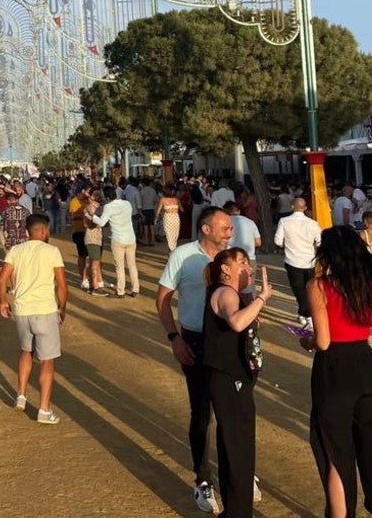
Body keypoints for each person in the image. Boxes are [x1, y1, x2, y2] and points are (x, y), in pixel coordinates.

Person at [300, 226, 372, 517]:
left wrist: (306, 340)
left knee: (336, 450)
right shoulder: (371, 283)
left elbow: (324, 341)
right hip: (365, 362)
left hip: (334, 368)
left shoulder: (318, 286)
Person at [157, 206, 238, 513]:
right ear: (206, 229)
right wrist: (174, 337)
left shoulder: (233, 258)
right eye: (225, 228)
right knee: (202, 413)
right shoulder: (183, 255)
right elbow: (162, 298)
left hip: (229, 341)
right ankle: (203, 479)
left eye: (230, 228)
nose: (230, 233)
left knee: (232, 412)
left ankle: (238, 471)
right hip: (195, 341)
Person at [204, 249, 270, 517]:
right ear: (225, 270)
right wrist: (263, 298)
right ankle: (239, 512)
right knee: (238, 446)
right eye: (241, 262)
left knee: (235, 443)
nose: (247, 266)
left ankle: (235, 509)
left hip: (235, 378)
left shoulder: (234, 294)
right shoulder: (226, 292)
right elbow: (236, 323)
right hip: (229, 379)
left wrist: (253, 302)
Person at [0, 214, 68, 424]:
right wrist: (62, 308)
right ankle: (44, 409)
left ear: (27, 231)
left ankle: (21, 394)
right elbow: (62, 285)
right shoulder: (52, 251)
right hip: (45, 309)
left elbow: (1, 279)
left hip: (22, 310)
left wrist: (3, 302)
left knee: (25, 351)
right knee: (47, 361)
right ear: (44, 231)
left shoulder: (16, 250)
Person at [275, 197, 321, 329]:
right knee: (309, 289)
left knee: (298, 290)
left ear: (292, 207)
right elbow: (320, 242)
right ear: (305, 208)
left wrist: (288, 245)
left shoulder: (284, 221)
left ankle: (307, 314)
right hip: (309, 261)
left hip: (292, 260)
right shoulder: (312, 223)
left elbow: (278, 241)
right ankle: (305, 313)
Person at [90, 186, 139, 297]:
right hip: (130, 237)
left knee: (119, 266)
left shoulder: (108, 207)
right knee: (132, 264)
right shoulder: (127, 204)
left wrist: (91, 216)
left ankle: (121, 291)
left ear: (107, 197)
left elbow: (102, 223)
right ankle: (135, 289)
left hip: (118, 239)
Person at [155, 183, 182, 253]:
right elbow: (182, 210)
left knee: (169, 237)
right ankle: (173, 253)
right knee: (175, 237)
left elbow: (158, 211)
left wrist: (156, 219)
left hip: (168, 218)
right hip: (176, 218)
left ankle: (171, 254)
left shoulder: (163, 199)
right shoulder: (176, 199)